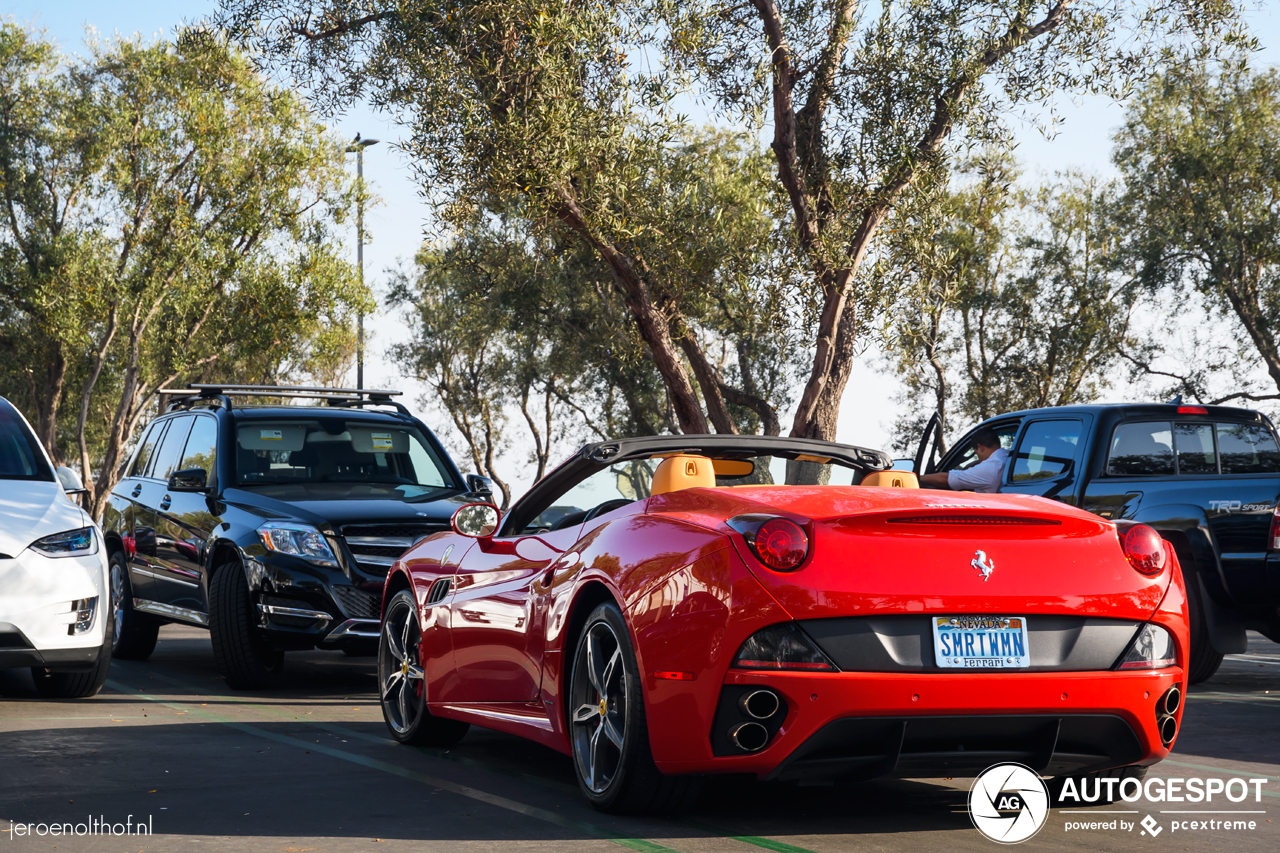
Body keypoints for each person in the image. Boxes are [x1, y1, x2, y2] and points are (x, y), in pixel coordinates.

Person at [919, 428, 1008, 493]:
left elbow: (946, 479)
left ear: (980, 448)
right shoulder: (1006, 457)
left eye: (976, 453)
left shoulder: (990, 467)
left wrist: (917, 478)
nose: (978, 458)